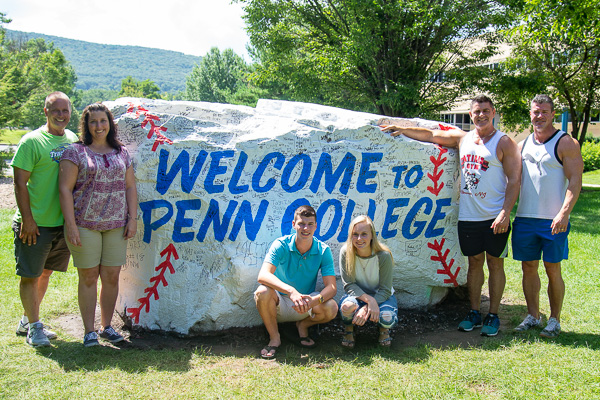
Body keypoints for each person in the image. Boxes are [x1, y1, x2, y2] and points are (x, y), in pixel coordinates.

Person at [383, 95, 521, 336]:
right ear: (471, 114)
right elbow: (430, 135)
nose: (481, 115)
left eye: (486, 111)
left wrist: (505, 213)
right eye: (477, 111)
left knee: (495, 263)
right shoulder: (464, 139)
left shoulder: (504, 142)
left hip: (494, 216)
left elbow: (515, 180)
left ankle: (494, 315)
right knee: (475, 263)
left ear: (493, 112)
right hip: (468, 216)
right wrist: (402, 129)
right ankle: (475, 311)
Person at [59, 103, 138, 347]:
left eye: (103, 121)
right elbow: (64, 189)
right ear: (86, 125)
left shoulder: (121, 153)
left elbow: (130, 187)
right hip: (85, 223)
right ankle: (89, 330)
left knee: (112, 276)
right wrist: (70, 225)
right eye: (93, 122)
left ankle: (106, 327)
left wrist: (132, 218)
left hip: (116, 224)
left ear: (110, 123)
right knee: (89, 276)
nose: (98, 126)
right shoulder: (75, 152)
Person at [512, 95, 583, 338]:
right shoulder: (522, 145)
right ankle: (533, 315)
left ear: (553, 114)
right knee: (528, 267)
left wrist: (564, 213)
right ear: (530, 114)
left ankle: (554, 319)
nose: (539, 116)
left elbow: (575, 180)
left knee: (553, 268)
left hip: (553, 219)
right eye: (535, 112)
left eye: (544, 111)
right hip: (525, 218)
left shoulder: (566, 142)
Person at [12, 91, 79, 347]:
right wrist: (28, 220)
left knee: (45, 273)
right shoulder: (32, 141)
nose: (61, 115)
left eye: (65, 111)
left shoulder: (72, 140)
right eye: (55, 111)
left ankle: (29, 321)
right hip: (35, 224)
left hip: (60, 223)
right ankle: (35, 327)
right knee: (30, 274)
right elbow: (20, 183)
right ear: (46, 112)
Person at [254, 205, 338, 359]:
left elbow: (332, 287)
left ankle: (302, 326)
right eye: (301, 224)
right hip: (279, 303)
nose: (305, 228)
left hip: (306, 303)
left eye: (310, 224)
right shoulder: (281, 244)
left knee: (331, 307)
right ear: (294, 225)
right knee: (262, 292)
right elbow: (263, 275)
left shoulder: (323, 250)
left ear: (316, 226)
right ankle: (274, 338)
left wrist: (314, 300)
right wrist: (291, 291)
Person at [339, 215, 398, 348]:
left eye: (364, 234)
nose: (359, 239)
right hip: (357, 296)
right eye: (355, 234)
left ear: (372, 235)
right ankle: (349, 330)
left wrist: (369, 305)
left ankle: (384, 330)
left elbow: (385, 289)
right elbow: (348, 285)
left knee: (387, 317)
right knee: (346, 308)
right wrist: (368, 301)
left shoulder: (383, 256)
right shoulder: (346, 252)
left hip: (382, 297)